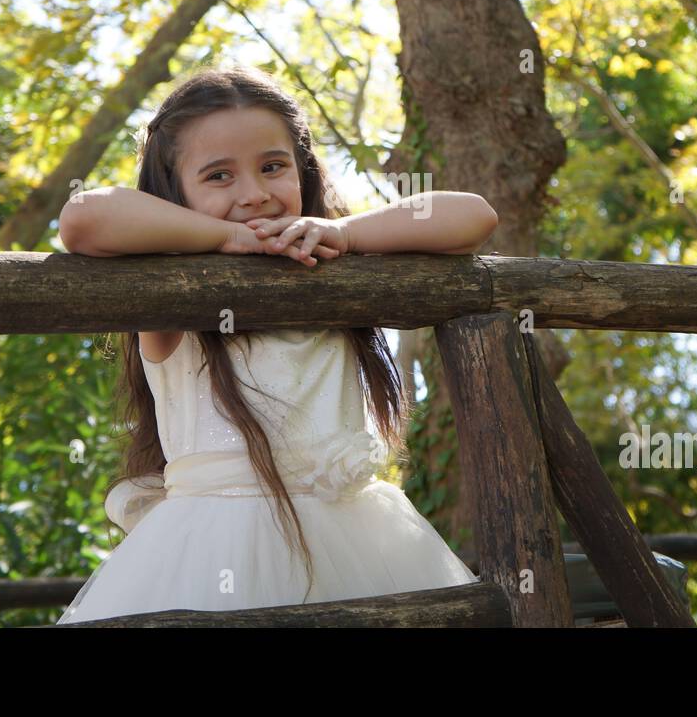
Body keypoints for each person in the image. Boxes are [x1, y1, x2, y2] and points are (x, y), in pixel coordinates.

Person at [54, 64, 498, 623]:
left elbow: (474, 216)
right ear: (173, 191)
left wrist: (347, 232)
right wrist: (226, 238)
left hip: (357, 538)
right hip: (207, 542)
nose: (255, 195)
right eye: (218, 176)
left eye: (273, 167)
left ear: (303, 168)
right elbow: (83, 219)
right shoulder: (169, 292)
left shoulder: (329, 261)